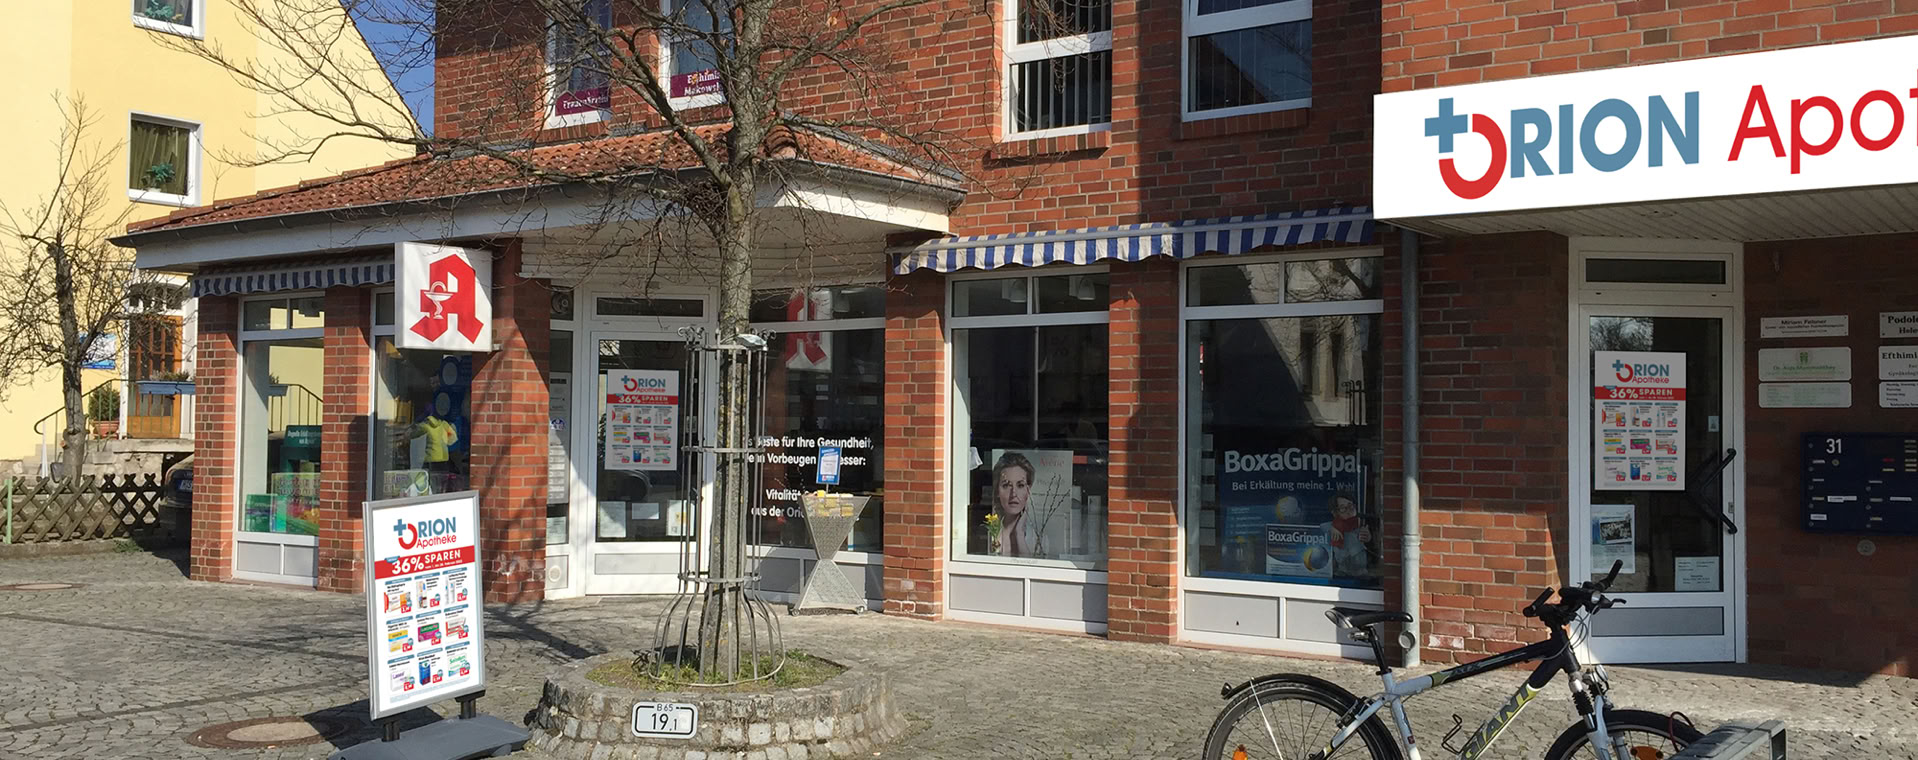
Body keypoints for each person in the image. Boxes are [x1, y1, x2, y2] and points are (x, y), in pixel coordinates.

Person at [992, 451, 1039, 558]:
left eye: (1020, 485)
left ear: (1028, 490)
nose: (1013, 493)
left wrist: (1019, 534)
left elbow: (1030, 565)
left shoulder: (1038, 536)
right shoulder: (991, 530)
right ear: (997, 491)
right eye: (1006, 485)